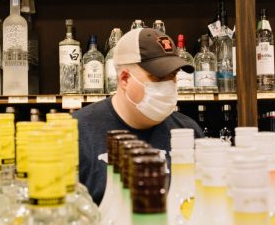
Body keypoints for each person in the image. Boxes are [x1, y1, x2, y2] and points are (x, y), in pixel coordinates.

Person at [73, 27, 203, 205]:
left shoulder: (187, 131)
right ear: (125, 79)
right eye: (158, 77)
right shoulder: (78, 132)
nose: (168, 85)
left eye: (172, 76)